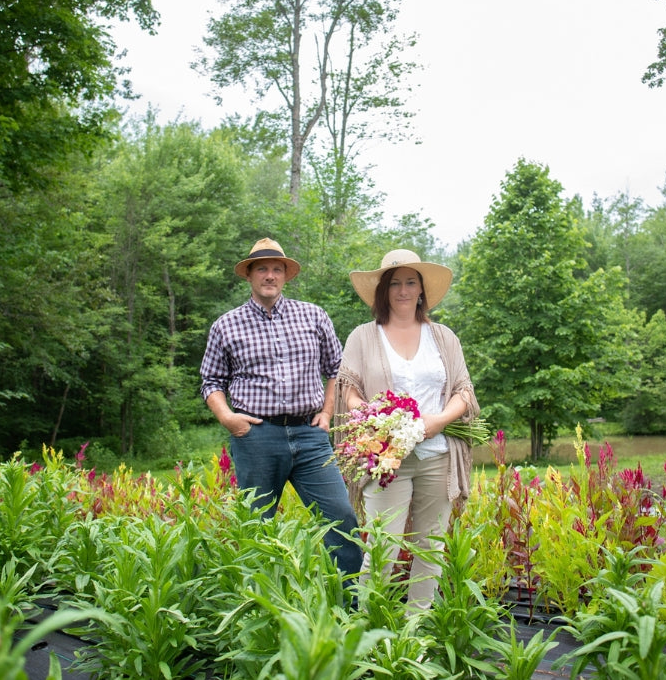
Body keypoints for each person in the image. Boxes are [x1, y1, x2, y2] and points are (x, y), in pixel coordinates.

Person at [200, 237, 362, 581]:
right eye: (262, 269)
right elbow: (211, 382)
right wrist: (228, 418)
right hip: (256, 436)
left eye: (277, 269)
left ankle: (350, 605)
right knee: (255, 527)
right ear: (250, 275)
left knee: (341, 518)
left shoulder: (313, 316)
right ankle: (257, 605)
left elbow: (336, 368)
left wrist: (327, 413)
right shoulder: (225, 325)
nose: (270, 275)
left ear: (286, 275)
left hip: (310, 435)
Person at [334, 248, 480, 610]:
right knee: (382, 546)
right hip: (387, 462)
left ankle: (414, 634)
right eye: (394, 283)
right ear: (383, 291)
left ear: (421, 290)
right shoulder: (364, 336)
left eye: (410, 282)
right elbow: (347, 389)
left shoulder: (443, 337)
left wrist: (439, 420)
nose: (402, 290)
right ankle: (368, 630)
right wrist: (374, 417)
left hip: (438, 456)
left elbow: (464, 391)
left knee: (430, 548)